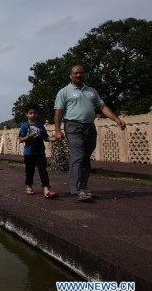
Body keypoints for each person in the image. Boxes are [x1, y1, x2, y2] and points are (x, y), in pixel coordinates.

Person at [54, 65, 126, 201]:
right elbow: (58, 112)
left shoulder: (91, 91)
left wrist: (116, 119)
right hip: (73, 126)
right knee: (78, 155)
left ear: (84, 75)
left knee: (86, 158)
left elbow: (102, 107)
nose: (78, 75)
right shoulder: (64, 92)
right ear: (71, 76)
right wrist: (57, 130)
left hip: (89, 127)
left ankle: (84, 187)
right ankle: (78, 190)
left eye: (81, 73)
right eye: (75, 73)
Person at [19, 104, 58, 199]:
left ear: (37, 114)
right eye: (30, 113)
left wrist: (56, 138)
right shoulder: (25, 126)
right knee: (29, 171)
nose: (33, 115)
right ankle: (28, 186)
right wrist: (29, 136)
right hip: (29, 152)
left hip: (40, 152)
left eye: (35, 113)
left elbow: (46, 138)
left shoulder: (40, 126)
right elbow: (20, 140)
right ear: (27, 115)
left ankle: (46, 189)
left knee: (43, 171)